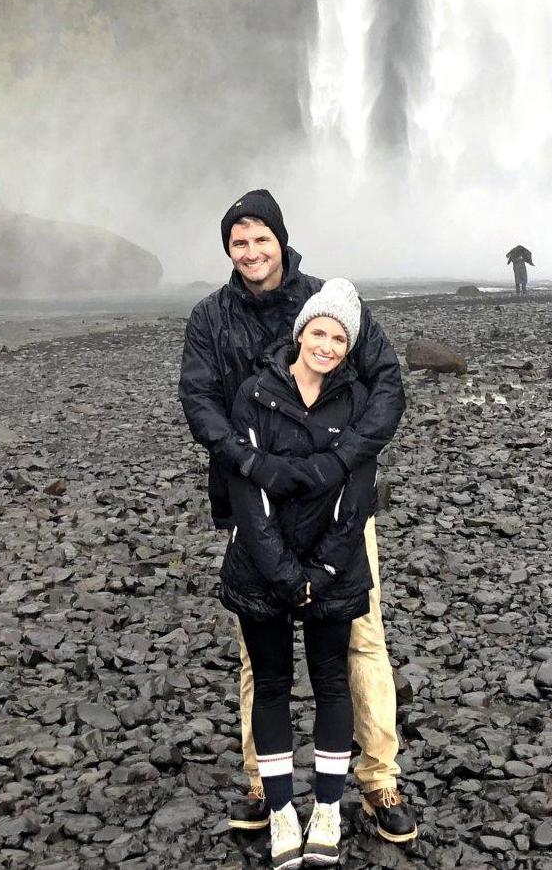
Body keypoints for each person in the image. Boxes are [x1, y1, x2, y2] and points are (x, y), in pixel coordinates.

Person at [179, 190, 417, 844]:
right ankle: (265, 783)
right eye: (239, 242)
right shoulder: (210, 318)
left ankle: (378, 781)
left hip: (338, 505)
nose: (252, 252)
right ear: (228, 249)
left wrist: (341, 462)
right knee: (261, 654)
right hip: (254, 505)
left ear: (281, 239)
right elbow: (198, 401)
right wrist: (249, 465)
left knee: (360, 639)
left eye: (261, 239)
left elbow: (388, 384)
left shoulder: (330, 303)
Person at [221, 279, 378, 869]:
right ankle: (284, 809)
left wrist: (326, 567)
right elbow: (248, 491)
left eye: (340, 337)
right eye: (320, 332)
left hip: (331, 568)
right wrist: (287, 574)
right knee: (272, 684)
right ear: (300, 333)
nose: (328, 345)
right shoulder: (255, 395)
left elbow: (356, 490)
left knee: (333, 683)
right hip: (263, 566)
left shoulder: (358, 401)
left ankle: (329, 809)